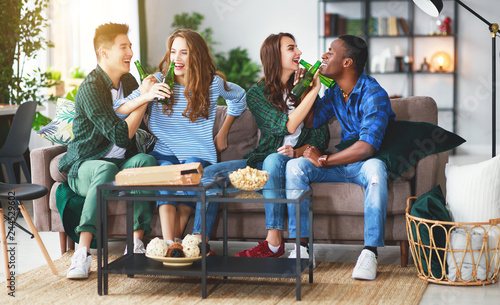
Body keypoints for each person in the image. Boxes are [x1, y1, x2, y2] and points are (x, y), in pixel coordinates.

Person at [203, 32, 328, 260]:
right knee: (210, 174)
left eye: (296, 47)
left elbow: (321, 136)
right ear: (274, 56)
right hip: (263, 163)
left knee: (275, 159)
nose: (299, 52)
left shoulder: (307, 90)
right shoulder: (257, 95)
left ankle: (273, 243)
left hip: (292, 164)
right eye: (291, 48)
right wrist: (313, 92)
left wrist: (298, 151)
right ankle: (198, 243)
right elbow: (285, 127)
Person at [58, 23, 167, 279]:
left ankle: (135, 243)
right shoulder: (91, 88)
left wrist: (145, 93)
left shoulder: (128, 80)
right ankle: (82, 253)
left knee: (146, 160)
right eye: (124, 47)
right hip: (85, 165)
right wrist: (145, 97)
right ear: (104, 53)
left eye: (130, 46)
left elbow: (138, 112)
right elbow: (120, 134)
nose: (130, 51)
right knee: (105, 167)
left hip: (120, 165)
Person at [286, 35, 396, 280]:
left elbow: (367, 147)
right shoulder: (336, 91)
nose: (324, 56)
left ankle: (370, 253)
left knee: (377, 169)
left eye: (330, 52)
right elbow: (313, 120)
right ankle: (302, 248)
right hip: (339, 163)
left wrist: (324, 160)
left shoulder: (374, 93)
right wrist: (312, 89)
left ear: (347, 62)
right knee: (295, 166)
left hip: (363, 164)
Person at [145, 29, 246, 246]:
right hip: (165, 152)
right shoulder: (160, 82)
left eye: (184, 52)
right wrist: (146, 92)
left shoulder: (212, 83)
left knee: (189, 171)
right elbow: (123, 107)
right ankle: (170, 243)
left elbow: (239, 98)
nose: (176, 58)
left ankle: (173, 245)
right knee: (166, 175)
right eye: (173, 52)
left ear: (196, 55)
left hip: (198, 154)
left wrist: (224, 130)